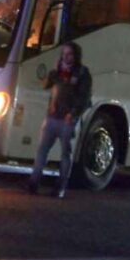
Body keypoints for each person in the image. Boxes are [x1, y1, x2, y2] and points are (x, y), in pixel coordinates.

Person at [27, 41, 92, 199]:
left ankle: (60, 187)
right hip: (52, 117)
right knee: (42, 150)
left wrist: (73, 113)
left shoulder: (82, 73)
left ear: (75, 56)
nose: (66, 57)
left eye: (69, 54)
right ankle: (33, 182)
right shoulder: (57, 72)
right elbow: (46, 85)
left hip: (68, 119)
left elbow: (84, 97)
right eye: (64, 54)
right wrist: (49, 76)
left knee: (65, 153)